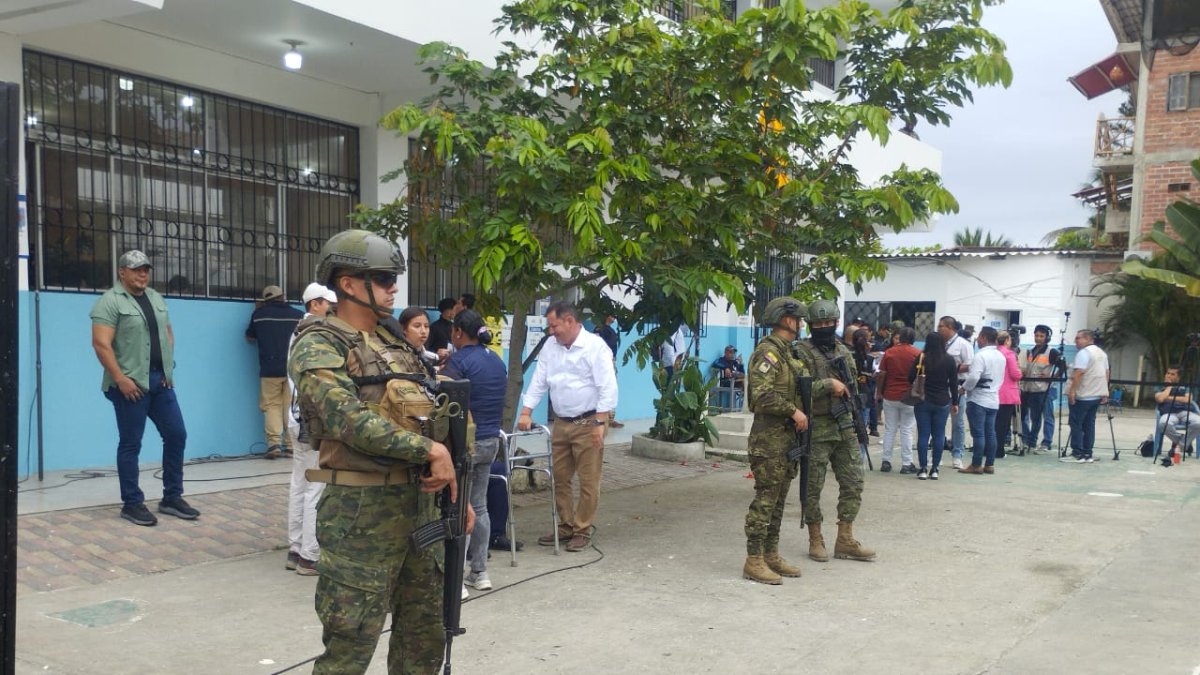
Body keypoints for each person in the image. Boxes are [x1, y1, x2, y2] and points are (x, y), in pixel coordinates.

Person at [289, 229, 472, 673]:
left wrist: (456, 488)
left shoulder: (396, 344)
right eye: (385, 278)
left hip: (421, 508)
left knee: (424, 638)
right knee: (350, 647)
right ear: (348, 283)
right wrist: (428, 449)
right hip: (360, 514)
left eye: (394, 279)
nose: (394, 288)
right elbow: (345, 418)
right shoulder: (319, 342)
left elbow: (432, 412)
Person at [90, 250, 198, 526]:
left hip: (160, 382)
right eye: (136, 269)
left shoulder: (155, 298)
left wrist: (168, 368)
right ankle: (132, 503)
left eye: (146, 269)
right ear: (122, 272)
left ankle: (172, 497)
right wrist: (120, 379)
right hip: (130, 385)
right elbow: (101, 344)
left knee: (176, 434)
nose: (142, 274)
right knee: (131, 443)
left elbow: (167, 333)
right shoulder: (110, 302)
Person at [517, 301, 619, 553]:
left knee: (588, 479)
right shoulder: (550, 346)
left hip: (589, 421)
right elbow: (539, 380)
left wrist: (600, 422)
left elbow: (607, 386)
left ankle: (582, 529)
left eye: (554, 326)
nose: (551, 331)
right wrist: (526, 411)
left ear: (570, 321)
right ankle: (565, 525)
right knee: (560, 477)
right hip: (562, 422)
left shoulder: (595, 347)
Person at [793, 299, 875, 563]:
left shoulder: (843, 350)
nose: (824, 327)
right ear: (810, 325)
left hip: (844, 426)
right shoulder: (801, 352)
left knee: (854, 483)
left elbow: (853, 385)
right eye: (819, 324)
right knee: (812, 487)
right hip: (817, 427)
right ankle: (815, 538)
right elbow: (797, 390)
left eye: (829, 323)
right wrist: (828, 384)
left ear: (837, 323)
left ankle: (845, 538)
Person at [741, 297, 810, 585]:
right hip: (769, 441)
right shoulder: (768, 353)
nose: (802, 325)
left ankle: (771, 553)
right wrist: (793, 411)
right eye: (799, 320)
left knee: (779, 501)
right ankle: (753, 559)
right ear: (788, 320)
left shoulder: (788, 353)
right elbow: (760, 395)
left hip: (787, 440)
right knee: (765, 501)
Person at [442, 309, 507, 593]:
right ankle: (480, 572)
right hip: (491, 441)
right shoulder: (495, 360)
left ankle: (456, 579)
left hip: (466, 444)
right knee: (479, 507)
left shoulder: (459, 361)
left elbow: (442, 396)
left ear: (458, 332)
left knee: (459, 508)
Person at [284, 282, 336, 576]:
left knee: (300, 483)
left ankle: (295, 548)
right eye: (328, 304)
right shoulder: (315, 333)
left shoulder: (297, 331)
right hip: (311, 420)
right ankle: (309, 555)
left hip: (296, 418)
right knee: (316, 485)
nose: (332, 309)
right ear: (315, 304)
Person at [246, 284, 304, 459]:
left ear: (265, 300)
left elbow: (250, 337)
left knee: (271, 405)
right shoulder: (298, 315)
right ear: (283, 296)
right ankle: (291, 445)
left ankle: (274, 444)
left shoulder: (259, 315)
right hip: (292, 369)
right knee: (290, 406)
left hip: (269, 369)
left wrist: (258, 311)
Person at [909, 332, 959, 480]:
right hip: (942, 401)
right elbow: (954, 383)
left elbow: (910, 377)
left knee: (923, 435)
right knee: (939, 435)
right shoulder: (949, 360)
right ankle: (935, 469)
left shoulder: (922, 358)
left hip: (923, 400)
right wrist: (955, 402)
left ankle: (923, 468)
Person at [960, 327, 1005, 475]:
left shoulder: (980, 355)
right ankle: (990, 464)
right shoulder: (1001, 356)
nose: (977, 340)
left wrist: (964, 388)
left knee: (978, 434)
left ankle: (976, 464)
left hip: (978, 399)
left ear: (984, 337)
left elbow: (974, 377)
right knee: (990, 433)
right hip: (993, 399)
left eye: (979, 337)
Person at [876, 327, 920, 473]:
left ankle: (886, 461)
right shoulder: (917, 353)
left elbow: (882, 374)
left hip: (890, 394)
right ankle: (906, 464)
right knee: (906, 429)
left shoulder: (889, 352)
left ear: (900, 337)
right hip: (909, 396)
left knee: (890, 429)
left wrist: (879, 392)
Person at [1062, 330, 1110, 463]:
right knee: (1089, 425)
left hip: (1083, 395)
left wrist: (1072, 392)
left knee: (1076, 424)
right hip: (1095, 395)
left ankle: (1077, 453)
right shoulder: (1101, 353)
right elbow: (1106, 372)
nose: (1075, 341)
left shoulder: (1083, 353)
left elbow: (1079, 373)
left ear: (1088, 339)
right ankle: (1088, 452)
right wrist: (1105, 391)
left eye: (1078, 338)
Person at [939, 316, 973, 469]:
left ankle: (957, 454)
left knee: (957, 423)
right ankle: (937, 453)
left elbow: (970, 365)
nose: (939, 329)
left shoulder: (963, 344)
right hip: (940, 387)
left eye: (942, 326)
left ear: (951, 328)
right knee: (938, 422)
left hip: (957, 388)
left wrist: (951, 369)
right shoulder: (938, 343)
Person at [1019, 325, 1059, 454]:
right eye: (1036, 335)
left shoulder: (1051, 352)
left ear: (1047, 338)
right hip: (1029, 388)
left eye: (1041, 336)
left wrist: (1052, 377)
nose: (1038, 338)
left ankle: (1045, 442)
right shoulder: (1031, 351)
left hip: (1044, 389)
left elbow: (1063, 366)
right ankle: (1027, 440)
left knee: (1045, 417)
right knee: (1026, 416)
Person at [1154, 366, 1200, 453]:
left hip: (1185, 412)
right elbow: (1160, 399)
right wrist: (1169, 387)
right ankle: (1185, 443)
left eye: (1172, 374)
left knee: (1199, 423)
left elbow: (1188, 399)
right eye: (1168, 373)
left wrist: (1167, 398)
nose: (1168, 376)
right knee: (1163, 424)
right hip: (1168, 413)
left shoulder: (1184, 387)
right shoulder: (1160, 386)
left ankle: (1180, 445)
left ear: (1178, 377)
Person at [994, 331, 1023, 457]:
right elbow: (1015, 374)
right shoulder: (1009, 354)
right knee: (1002, 424)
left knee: (993, 423)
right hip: (1007, 394)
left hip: (994, 392)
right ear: (1006, 341)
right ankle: (999, 450)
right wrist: (1020, 371)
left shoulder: (994, 352)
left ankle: (990, 448)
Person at [593, 315, 625, 428]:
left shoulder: (609, 329)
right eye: (612, 315)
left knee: (611, 388)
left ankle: (610, 417)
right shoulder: (599, 329)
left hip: (611, 360)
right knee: (604, 388)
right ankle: (603, 418)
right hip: (604, 361)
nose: (614, 318)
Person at [851, 329, 879, 437]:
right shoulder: (870, 358)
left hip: (851, 393)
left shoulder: (848, 356)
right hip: (865, 394)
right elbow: (874, 374)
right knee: (862, 426)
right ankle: (862, 445)